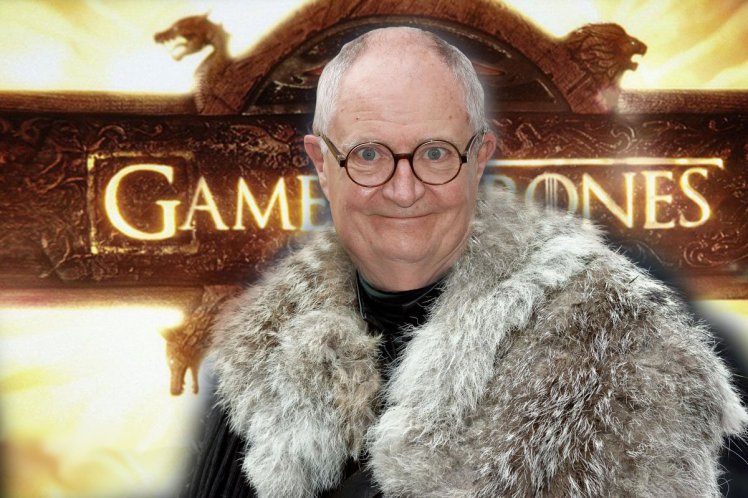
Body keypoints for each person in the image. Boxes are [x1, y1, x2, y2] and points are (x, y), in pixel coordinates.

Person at [184, 27, 747, 497]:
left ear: (479, 158)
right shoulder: (261, 357)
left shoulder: (621, 353)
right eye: (368, 154)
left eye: (435, 153)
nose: (403, 190)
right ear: (321, 164)